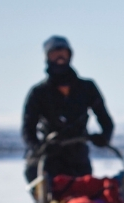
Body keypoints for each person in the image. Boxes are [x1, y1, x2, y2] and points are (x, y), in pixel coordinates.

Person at [22, 35, 114, 184]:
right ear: (47, 57)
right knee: (49, 196)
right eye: (54, 54)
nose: (60, 59)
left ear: (70, 55)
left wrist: (104, 137)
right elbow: (28, 128)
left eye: (63, 54)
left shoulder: (87, 88)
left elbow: (106, 121)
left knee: (83, 196)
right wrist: (39, 147)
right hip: (49, 161)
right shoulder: (39, 92)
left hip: (79, 160)